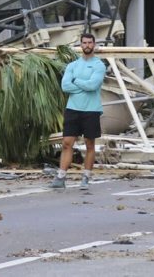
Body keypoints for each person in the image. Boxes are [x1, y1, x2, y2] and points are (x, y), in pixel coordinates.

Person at [50, 32, 105, 190]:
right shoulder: (72, 66)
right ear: (80, 45)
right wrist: (83, 84)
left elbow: (92, 86)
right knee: (67, 143)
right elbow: (65, 86)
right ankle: (61, 177)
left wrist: (76, 81)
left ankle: (86, 177)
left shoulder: (99, 65)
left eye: (90, 43)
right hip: (73, 108)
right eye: (84, 43)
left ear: (93, 45)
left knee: (89, 144)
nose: (87, 45)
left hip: (91, 110)